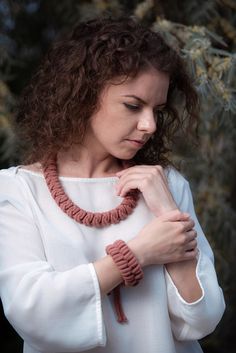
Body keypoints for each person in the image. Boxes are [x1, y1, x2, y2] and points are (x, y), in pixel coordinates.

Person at [0, 17, 225, 353]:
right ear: (83, 95)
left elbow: (203, 320)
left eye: (157, 110)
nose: (149, 125)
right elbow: (34, 313)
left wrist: (167, 213)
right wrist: (138, 254)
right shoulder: (17, 190)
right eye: (133, 106)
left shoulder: (165, 186)